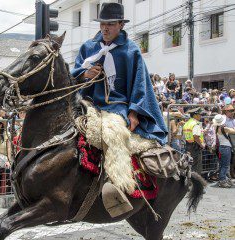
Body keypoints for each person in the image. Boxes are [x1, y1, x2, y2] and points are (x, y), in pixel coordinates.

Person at [71, 2, 167, 217]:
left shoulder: (130, 50)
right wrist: (84, 75)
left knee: (113, 132)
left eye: (111, 24)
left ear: (121, 25)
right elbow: (75, 72)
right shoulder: (88, 47)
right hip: (88, 103)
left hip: (118, 105)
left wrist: (135, 111)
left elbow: (140, 83)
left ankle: (118, 186)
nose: (105, 28)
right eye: (103, 24)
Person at [213, 114, 235, 188]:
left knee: (222, 164)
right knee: (225, 165)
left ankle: (223, 179)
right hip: (226, 148)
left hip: (222, 147)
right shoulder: (224, 128)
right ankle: (222, 180)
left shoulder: (216, 127)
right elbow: (233, 131)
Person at [183, 107, 205, 174]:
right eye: (199, 114)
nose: (201, 116)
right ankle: (196, 183)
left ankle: (190, 182)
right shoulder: (196, 124)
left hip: (188, 146)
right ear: (195, 115)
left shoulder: (187, 123)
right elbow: (196, 136)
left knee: (190, 165)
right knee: (196, 167)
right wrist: (202, 145)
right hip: (196, 147)